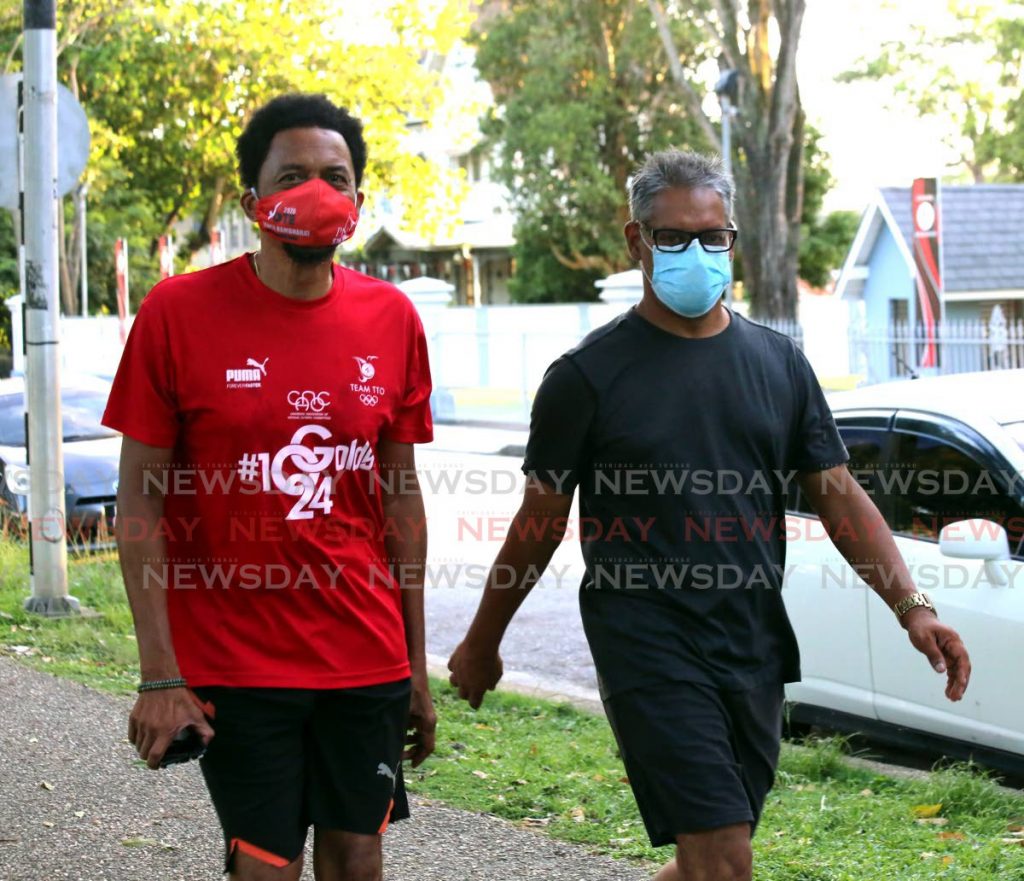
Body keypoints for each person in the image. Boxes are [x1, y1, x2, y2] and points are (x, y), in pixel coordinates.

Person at [447, 150, 971, 881]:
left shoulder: (778, 364)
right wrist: (483, 638)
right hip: (647, 642)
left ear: (732, 238)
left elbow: (839, 493)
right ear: (636, 241)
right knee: (722, 855)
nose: (696, 251)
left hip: (750, 638)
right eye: (672, 237)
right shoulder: (585, 378)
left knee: (715, 859)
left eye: (713, 235)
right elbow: (539, 520)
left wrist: (912, 607)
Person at [103, 93, 436, 881]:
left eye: (335, 175)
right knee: (266, 867)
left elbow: (402, 501)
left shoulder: (393, 319)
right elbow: (139, 500)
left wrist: (416, 667)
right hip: (237, 661)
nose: (317, 191)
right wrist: (160, 672)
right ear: (253, 202)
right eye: (293, 174)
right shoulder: (177, 312)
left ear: (358, 198)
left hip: (367, 656)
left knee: (359, 859)